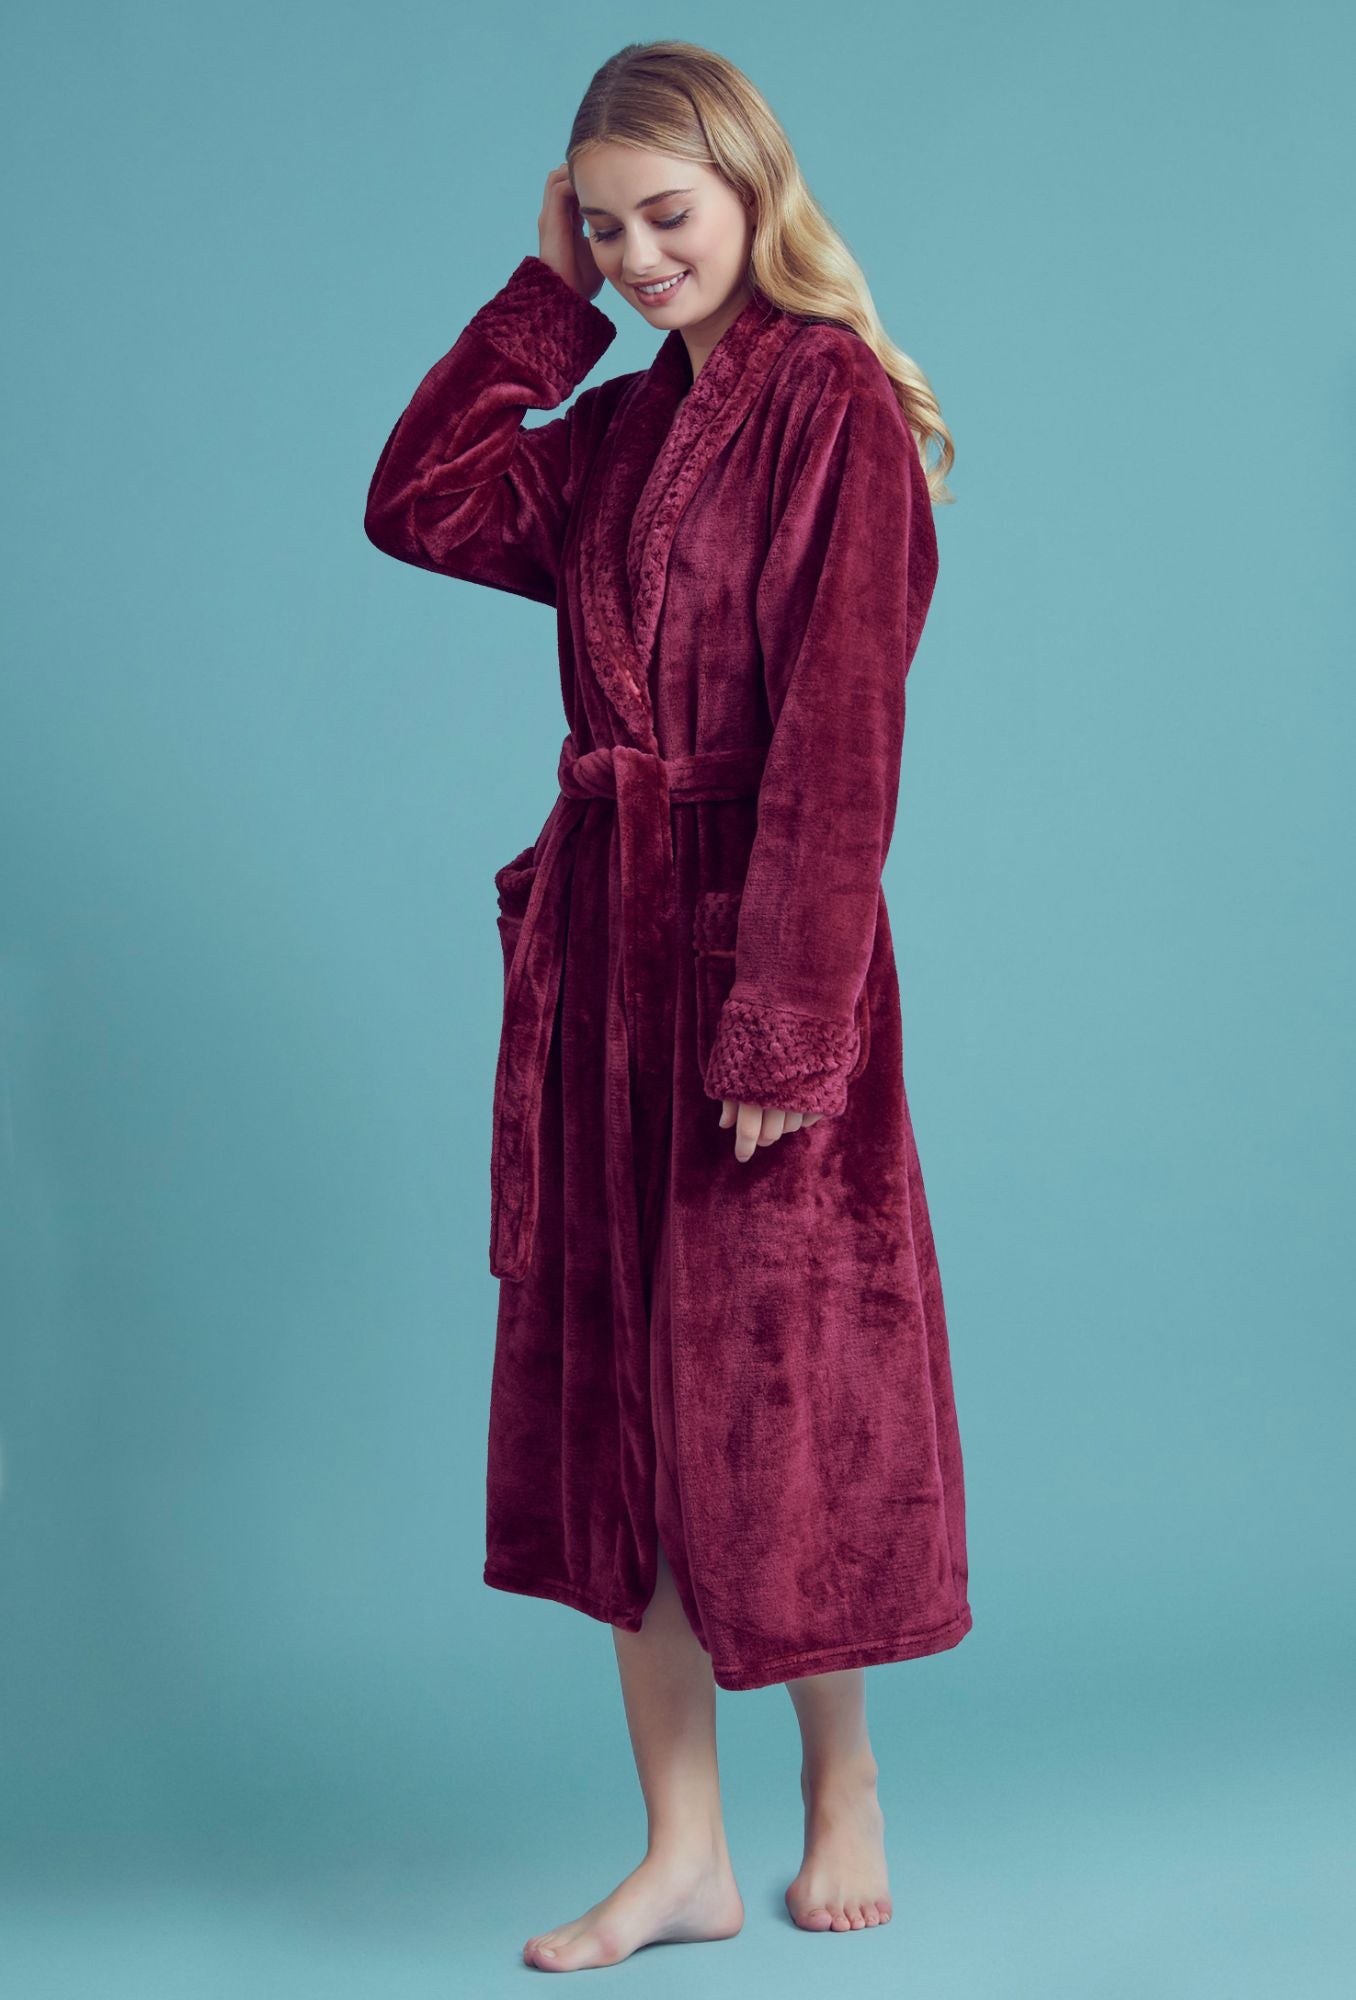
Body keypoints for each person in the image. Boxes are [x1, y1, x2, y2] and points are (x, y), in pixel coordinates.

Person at [364, 38, 970, 1974]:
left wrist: (790, 1019)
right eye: (607, 229)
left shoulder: (832, 406)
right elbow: (417, 501)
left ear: (752, 189)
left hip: (756, 951)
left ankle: (843, 1779)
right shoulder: (619, 430)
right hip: (604, 957)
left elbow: (842, 736)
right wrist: (538, 306)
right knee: (627, 1398)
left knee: (780, 1398)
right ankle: (684, 1849)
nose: (640, 258)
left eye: (667, 216)